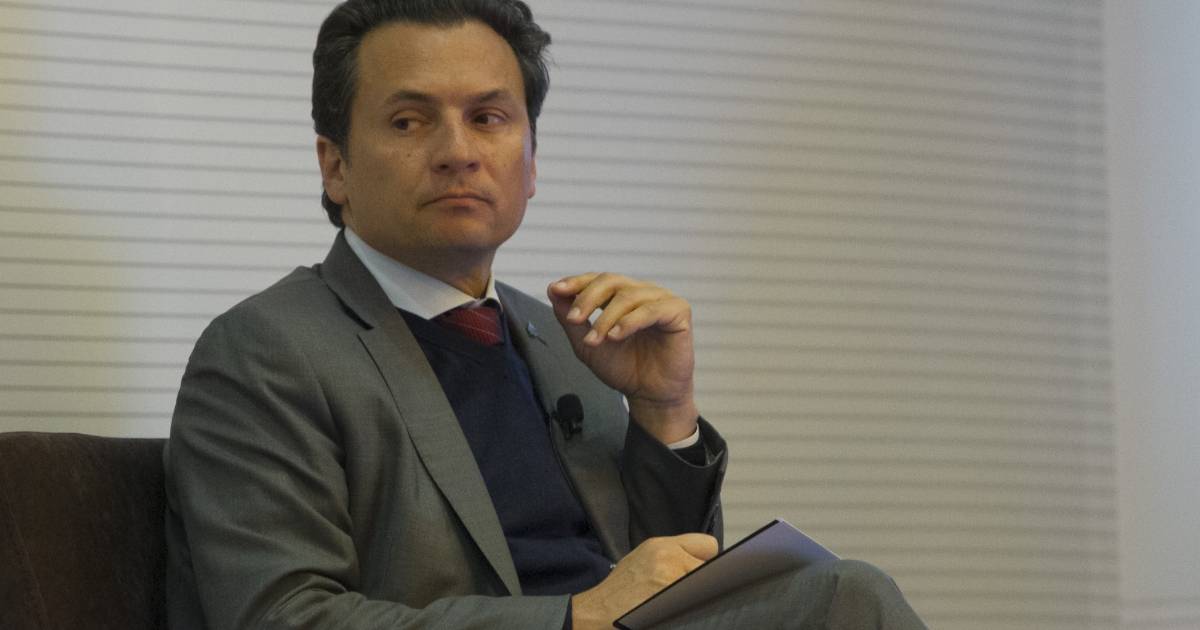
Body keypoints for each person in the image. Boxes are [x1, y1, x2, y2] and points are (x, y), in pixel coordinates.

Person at [163, 1, 927, 629]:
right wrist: (573, 618)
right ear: (335, 166)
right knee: (846, 599)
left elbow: (673, 591)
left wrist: (663, 410)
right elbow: (283, 616)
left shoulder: (564, 340)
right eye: (409, 121)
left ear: (531, 161)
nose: (458, 151)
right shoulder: (267, 349)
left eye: (489, 117)